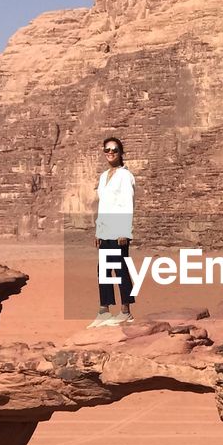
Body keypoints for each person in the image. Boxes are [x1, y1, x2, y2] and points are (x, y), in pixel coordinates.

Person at [88, 136, 136, 327]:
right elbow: (104, 205)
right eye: (107, 150)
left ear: (121, 153)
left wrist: (124, 230)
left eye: (114, 150)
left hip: (119, 229)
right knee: (104, 269)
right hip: (105, 229)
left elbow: (127, 203)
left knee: (121, 268)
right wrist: (98, 231)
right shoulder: (103, 176)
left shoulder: (126, 176)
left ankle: (126, 311)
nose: (110, 153)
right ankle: (104, 310)